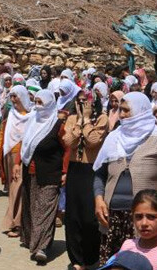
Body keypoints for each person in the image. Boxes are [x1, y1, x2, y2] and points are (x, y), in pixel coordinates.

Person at [93, 91, 157, 262]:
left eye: (126, 110)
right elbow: (99, 174)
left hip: (148, 219)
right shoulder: (113, 138)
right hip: (113, 219)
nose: (121, 114)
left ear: (141, 111)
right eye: (120, 110)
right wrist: (98, 199)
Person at [20, 89, 69, 264]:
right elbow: (26, 145)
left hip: (50, 174)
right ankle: (32, 239)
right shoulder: (32, 120)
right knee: (32, 209)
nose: (38, 107)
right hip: (30, 173)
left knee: (45, 210)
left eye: (42, 103)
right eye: (36, 102)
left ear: (50, 104)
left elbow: (67, 148)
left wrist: (65, 172)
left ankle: (42, 247)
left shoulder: (57, 125)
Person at [62, 86, 108, 269]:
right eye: (79, 101)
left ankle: (91, 257)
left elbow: (93, 141)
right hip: (75, 170)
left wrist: (87, 120)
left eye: (86, 101)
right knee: (73, 217)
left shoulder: (102, 119)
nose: (82, 104)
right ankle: (76, 260)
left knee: (89, 217)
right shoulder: (72, 118)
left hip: (92, 170)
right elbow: (69, 142)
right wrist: (79, 121)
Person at [0, 85, 31, 238]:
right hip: (9, 155)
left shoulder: (31, 116)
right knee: (14, 188)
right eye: (11, 96)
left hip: (23, 156)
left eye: (16, 96)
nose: (13, 100)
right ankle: (13, 221)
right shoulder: (11, 114)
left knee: (18, 187)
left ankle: (16, 222)